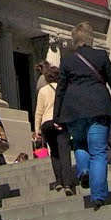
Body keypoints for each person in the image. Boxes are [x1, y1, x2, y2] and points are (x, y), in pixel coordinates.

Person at [53, 21, 111, 211]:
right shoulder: (100, 56)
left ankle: (83, 170)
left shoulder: (67, 61)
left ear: (74, 39)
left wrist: (57, 116)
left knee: (79, 144)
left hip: (73, 111)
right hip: (98, 108)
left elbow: (60, 89)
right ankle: (98, 195)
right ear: (90, 38)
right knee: (98, 152)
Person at [34, 64, 75, 195]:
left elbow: (38, 112)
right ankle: (68, 183)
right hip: (61, 121)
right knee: (64, 152)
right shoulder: (63, 89)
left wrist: (37, 130)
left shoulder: (43, 91)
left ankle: (58, 181)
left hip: (47, 123)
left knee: (54, 153)